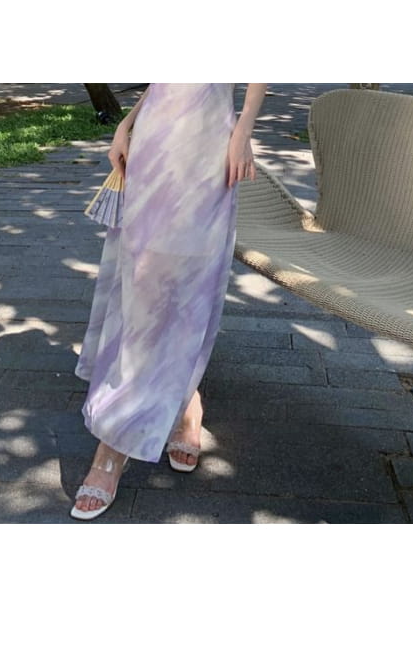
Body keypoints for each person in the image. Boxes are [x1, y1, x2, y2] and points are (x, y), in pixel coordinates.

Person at [71, 83, 268, 520]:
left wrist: (242, 132)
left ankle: (176, 404)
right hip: (153, 142)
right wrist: (127, 123)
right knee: (142, 282)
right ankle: (118, 441)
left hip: (208, 144)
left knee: (190, 281)